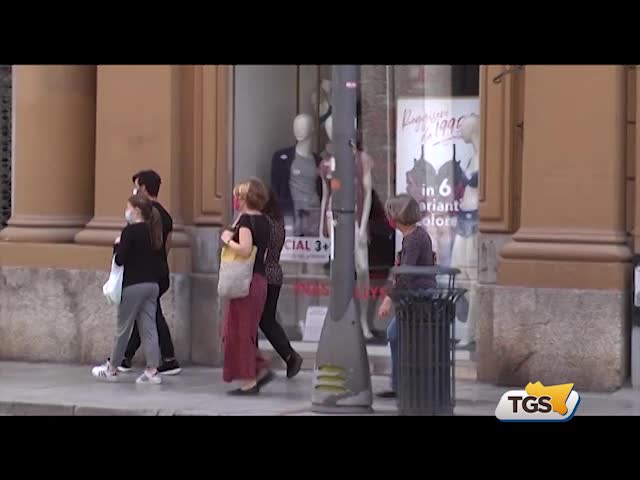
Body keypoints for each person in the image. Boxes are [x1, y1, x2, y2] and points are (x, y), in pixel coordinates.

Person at [92, 195, 164, 384]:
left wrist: (117, 245)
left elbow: (120, 260)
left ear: (137, 211)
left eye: (128, 208)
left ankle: (112, 368)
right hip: (152, 285)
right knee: (149, 327)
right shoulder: (152, 231)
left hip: (133, 285)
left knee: (123, 328)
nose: (126, 212)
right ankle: (152, 370)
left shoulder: (130, 232)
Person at [118, 170, 181, 375]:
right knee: (147, 313)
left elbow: (133, 245)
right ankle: (127, 356)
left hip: (145, 273)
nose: (135, 191)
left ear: (143, 188)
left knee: (150, 315)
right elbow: (167, 245)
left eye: (137, 186)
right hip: (160, 271)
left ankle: (168, 358)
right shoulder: (166, 216)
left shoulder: (144, 215)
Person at [376, 194, 437, 399]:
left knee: (396, 335)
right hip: (418, 296)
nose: (389, 219)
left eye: (390, 214)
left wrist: (388, 300)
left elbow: (406, 275)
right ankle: (401, 383)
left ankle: (401, 384)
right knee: (398, 336)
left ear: (398, 216)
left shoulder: (414, 239)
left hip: (418, 297)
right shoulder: (414, 236)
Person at [220, 178, 273, 395]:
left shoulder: (245, 221)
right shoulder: (265, 221)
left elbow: (244, 249)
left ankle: (251, 379)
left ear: (245, 198)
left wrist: (227, 240)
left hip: (245, 281)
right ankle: (257, 367)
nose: (236, 200)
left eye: (238, 196)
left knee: (239, 331)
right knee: (245, 329)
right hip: (258, 279)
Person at [260, 189, 303, 380]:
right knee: (267, 319)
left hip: (263, 274)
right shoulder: (278, 222)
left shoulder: (263, 223)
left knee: (260, 320)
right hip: (275, 273)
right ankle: (289, 356)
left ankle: (262, 364)